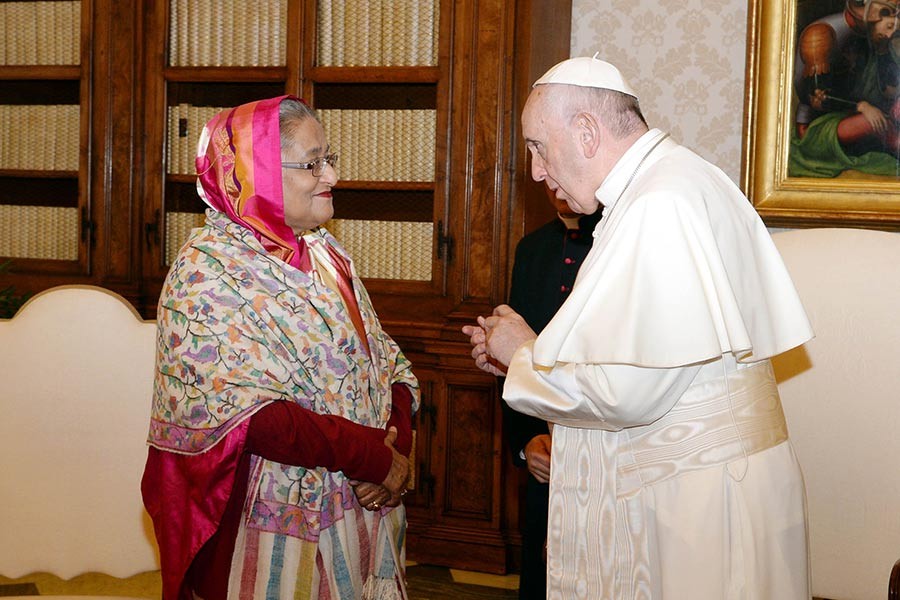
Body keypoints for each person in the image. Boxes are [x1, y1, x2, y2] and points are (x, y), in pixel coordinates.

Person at [463, 56, 814, 599]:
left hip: (696, 504)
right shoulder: (670, 182)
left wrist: (525, 353)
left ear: (585, 131)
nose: (535, 170)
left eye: (537, 146)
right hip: (701, 488)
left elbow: (627, 391)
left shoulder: (658, 204)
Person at [141, 95, 419, 600]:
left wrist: (395, 444)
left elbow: (383, 357)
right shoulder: (207, 272)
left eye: (329, 157)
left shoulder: (324, 251)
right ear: (257, 172)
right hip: (270, 521)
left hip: (359, 502)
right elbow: (249, 416)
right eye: (313, 163)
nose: (332, 175)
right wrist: (371, 459)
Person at [503, 189, 601, 599]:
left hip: (600, 455)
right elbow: (517, 363)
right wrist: (528, 441)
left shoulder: (614, 246)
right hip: (546, 459)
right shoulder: (532, 249)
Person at [791, 0, 900, 176]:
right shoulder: (821, 35)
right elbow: (818, 98)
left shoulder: (870, 38)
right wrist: (861, 106)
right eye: (888, 24)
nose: (889, 34)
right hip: (816, 127)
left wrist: (882, 52)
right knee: (876, 125)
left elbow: (890, 92)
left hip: (850, 117)